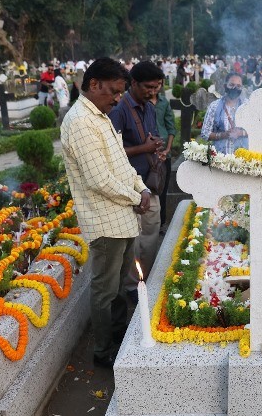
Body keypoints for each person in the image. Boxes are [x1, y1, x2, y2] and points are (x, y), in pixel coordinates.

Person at [60, 57, 151, 368]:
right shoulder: (80, 122)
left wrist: (142, 188)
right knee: (105, 291)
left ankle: (119, 337)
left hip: (123, 218)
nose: (117, 99)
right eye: (112, 91)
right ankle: (103, 352)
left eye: (120, 93)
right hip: (105, 222)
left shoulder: (100, 116)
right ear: (93, 84)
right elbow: (98, 180)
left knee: (118, 288)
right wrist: (135, 196)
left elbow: (121, 167)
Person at [109, 61, 165, 282]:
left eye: (157, 87)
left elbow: (153, 136)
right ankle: (134, 287)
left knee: (152, 233)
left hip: (150, 181)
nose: (152, 92)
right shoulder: (119, 110)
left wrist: (158, 147)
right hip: (129, 185)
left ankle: (148, 282)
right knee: (135, 238)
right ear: (134, 83)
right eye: (148, 87)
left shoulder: (149, 107)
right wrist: (145, 148)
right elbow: (112, 152)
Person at [200, 72, 248, 154]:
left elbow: (258, 130)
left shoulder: (247, 106)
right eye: (232, 85)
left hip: (243, 160)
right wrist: (223, 135)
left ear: (242, 88)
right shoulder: (214, 106)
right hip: (220, 159)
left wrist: (241, 133)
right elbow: (205, 133)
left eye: (238, 86)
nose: (235, 88)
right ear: (225, 86)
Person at [152, 77, 176, 233]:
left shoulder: (163, 103)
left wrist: (167, 149)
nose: (156, 87)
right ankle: (149, 224)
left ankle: (162, 223)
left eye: (159, 84)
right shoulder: (142, 102)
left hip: (163, 153)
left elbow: (170, 127)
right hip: (148, 153)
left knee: (162, 189)